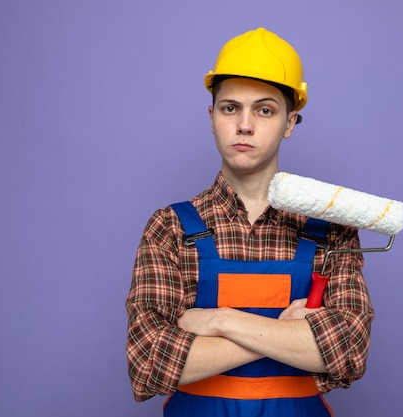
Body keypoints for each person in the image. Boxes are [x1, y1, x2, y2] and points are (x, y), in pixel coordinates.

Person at [126, 27, 374, 417]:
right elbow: (148, 363)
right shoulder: (170, 228)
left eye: (264, 109)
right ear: (212, 117)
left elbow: (347, 352)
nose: (244, 125)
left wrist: (219, 320)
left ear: (290, 123)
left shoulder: (333, 230)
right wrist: (290, 337)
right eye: (230, 108)